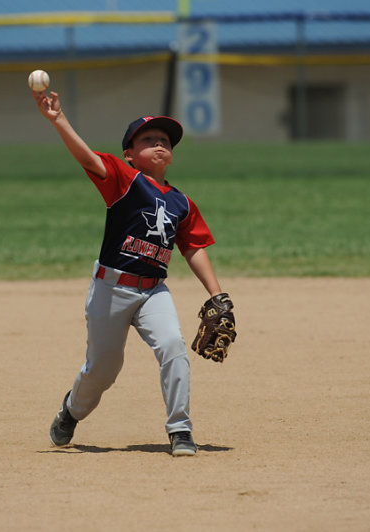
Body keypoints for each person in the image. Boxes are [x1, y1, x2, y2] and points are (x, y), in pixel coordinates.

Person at [33, 89, 226, 457]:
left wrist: (217, 295)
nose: (159, 144)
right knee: (104, 369)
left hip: (154, 290)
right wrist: (58, 120)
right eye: (148, 139)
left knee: (173, 346)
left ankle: (180, 429)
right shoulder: (124, 179)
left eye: (165, 141)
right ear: (129, 154)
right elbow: (88, 159)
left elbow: (193, 247)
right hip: (111, 287)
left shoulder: (181, 203)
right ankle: (72, 409)